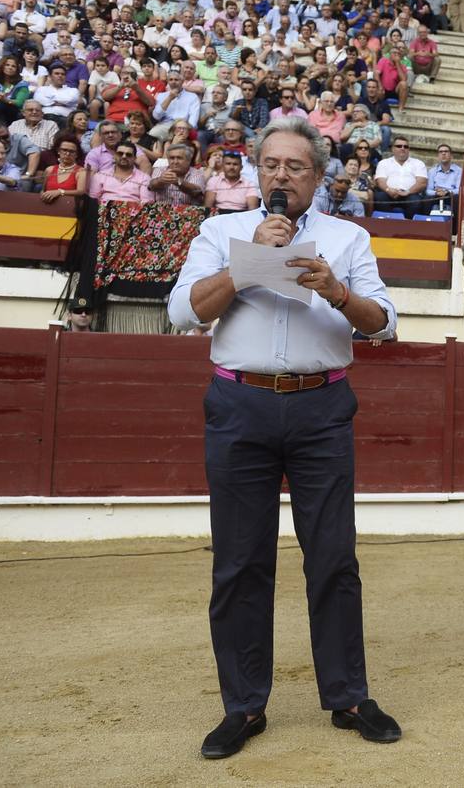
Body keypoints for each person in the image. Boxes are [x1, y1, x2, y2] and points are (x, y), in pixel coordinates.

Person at [167, 118, 401, 759]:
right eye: (271, 164)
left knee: (333, 556)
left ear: (318, 177)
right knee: (240, 561)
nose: (280, 176)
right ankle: (243, 707)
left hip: (321, 405)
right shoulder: (222, 232)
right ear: (256, 170)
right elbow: (183, 310)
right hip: (239, 402)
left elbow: (383, 325)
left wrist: (337, 291)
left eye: (295, 166)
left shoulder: (347, 238)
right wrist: (253, 265)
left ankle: (348, 695)